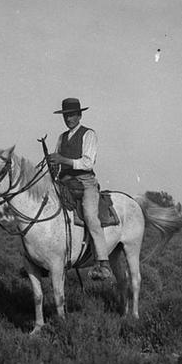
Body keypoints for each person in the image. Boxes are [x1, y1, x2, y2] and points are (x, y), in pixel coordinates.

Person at [46, 97, 112, 281]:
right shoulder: (61, 138)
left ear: (80, 115)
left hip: (85, 182)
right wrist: (53, 165)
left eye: (72, 115)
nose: (69, 119)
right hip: (64, 181)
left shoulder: (88, 134)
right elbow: (58, 163)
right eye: (66, 115)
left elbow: (87, 162)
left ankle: (104, 262)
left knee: (91, 216)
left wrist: (63, 160)